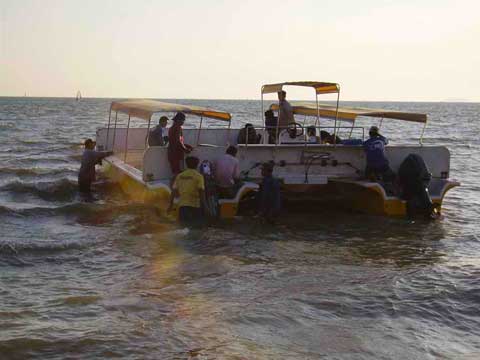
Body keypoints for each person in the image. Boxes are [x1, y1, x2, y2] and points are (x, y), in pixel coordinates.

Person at [168, 156, 206, 227]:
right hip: (195, 207)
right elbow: (201, 192)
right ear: (197, 165)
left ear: (186, 164)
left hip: (183, 207)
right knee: (195, 229)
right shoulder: (199, 176)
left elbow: (173, 192)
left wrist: (170, 205)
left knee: (184, 229)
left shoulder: (180, 176)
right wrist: (205, 207)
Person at [168, 112, 193, 176]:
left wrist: (186, 146)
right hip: (175, 152)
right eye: (183, 120)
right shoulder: (177, 127)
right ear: (178, 120)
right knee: (177, 172)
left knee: (175, 171)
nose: (183, 122)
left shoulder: (172, 127)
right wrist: (185, 149)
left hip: (172, 151)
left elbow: (175, 140)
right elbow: (178, 141)